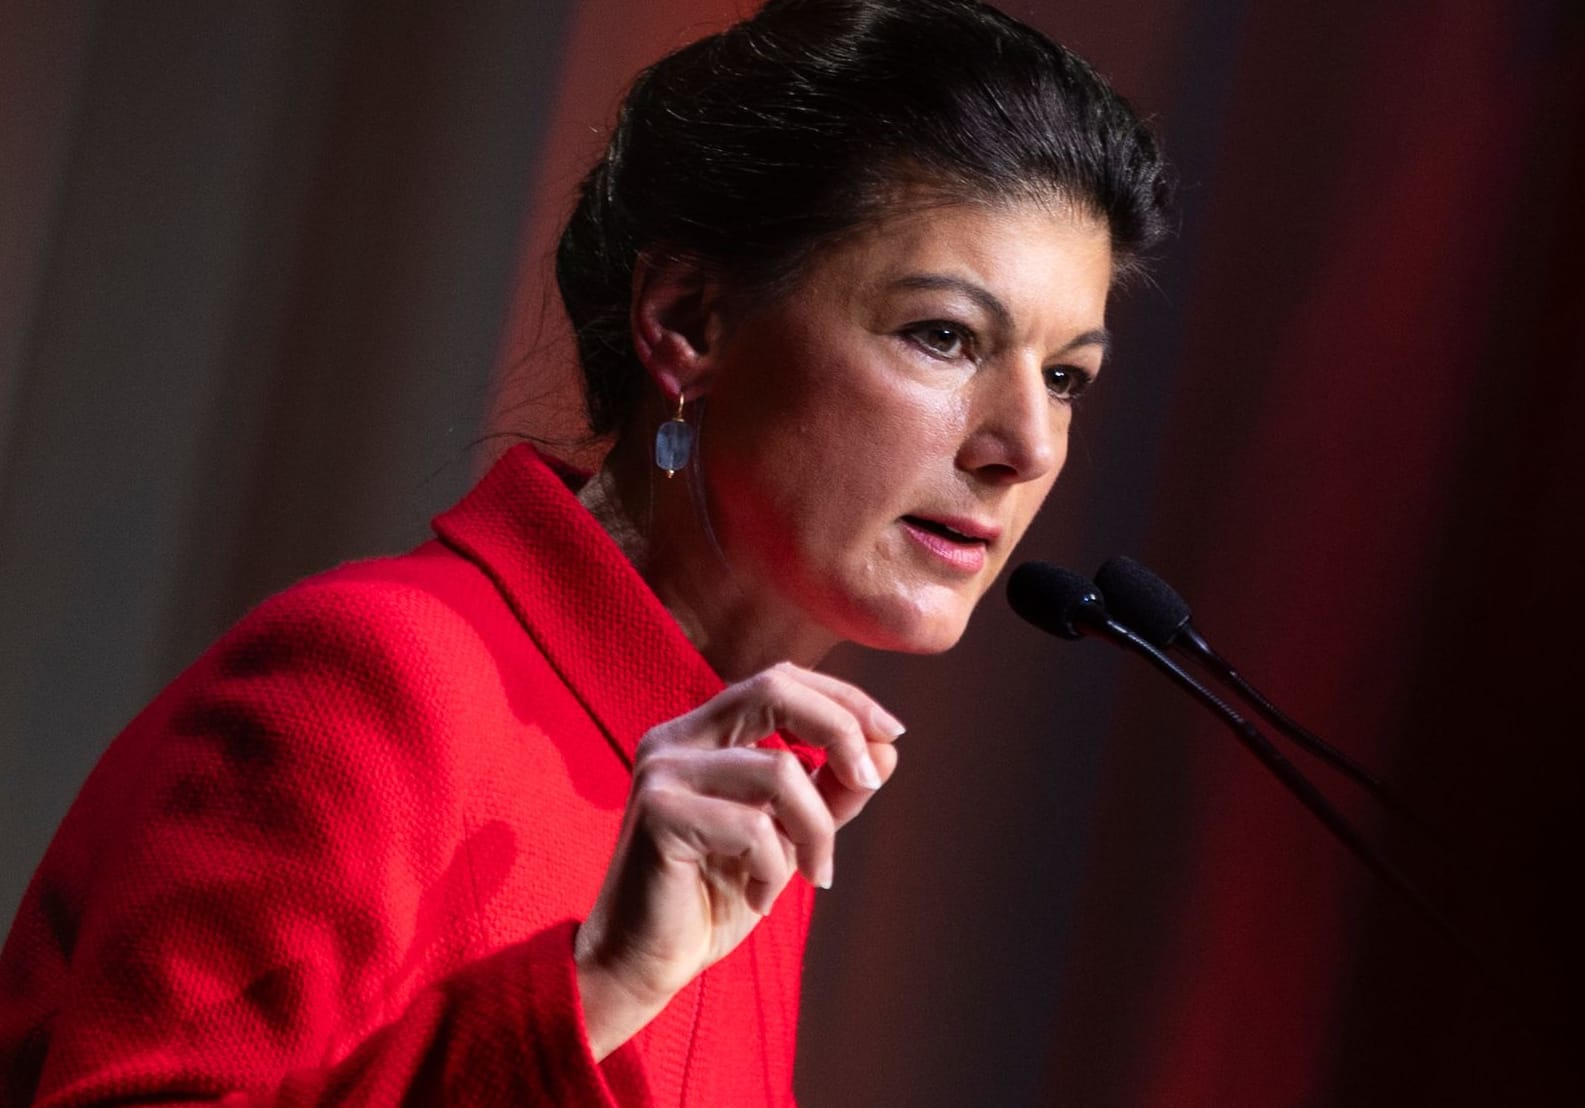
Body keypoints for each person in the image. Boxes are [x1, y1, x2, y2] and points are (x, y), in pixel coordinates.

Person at [0, 0, 1170, 1103]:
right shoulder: (378, 676)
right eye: (945, 336)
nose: (1024, 443)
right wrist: (594, 989)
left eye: (1067, 376)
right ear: (689, 323)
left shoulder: (757, 793)